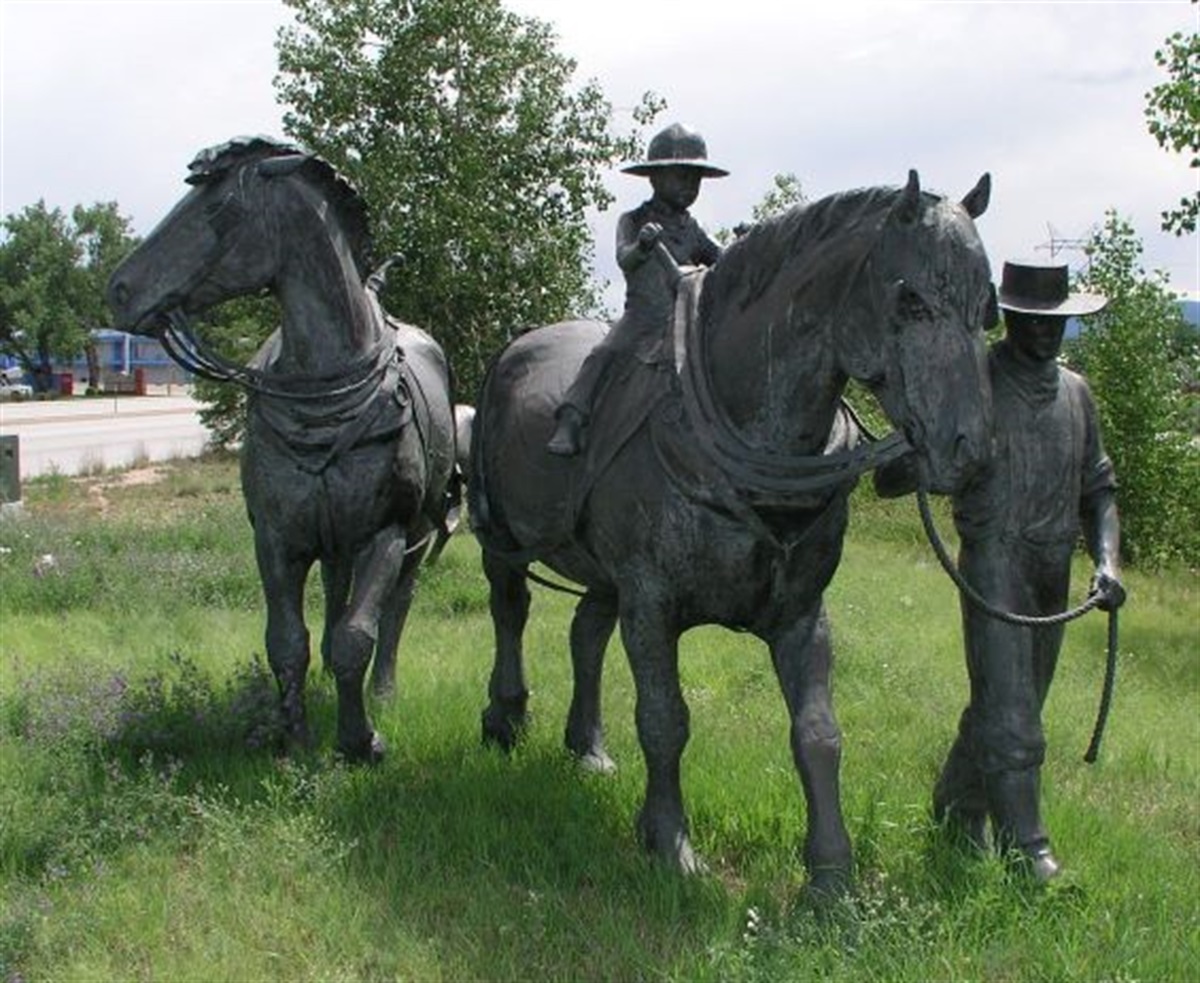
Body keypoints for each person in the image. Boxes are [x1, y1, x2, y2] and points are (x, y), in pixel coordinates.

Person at [875, 258, 1126, 882]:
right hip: (993, 561)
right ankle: (1029, 850)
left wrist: (1107, 561)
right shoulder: (974, 383)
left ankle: (957, 805)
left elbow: (1099, 488)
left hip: (1053, 569)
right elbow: (894, 474)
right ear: (1005, 317)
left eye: (1055, 323)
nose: (1045, 334)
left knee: (1010, 700)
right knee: (1013, 711)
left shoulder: (1076, 393)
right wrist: (917, 459)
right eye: (1030, 321)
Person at [546, 122, 728, 456]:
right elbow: (624, 260)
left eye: (695, 178)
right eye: (680, 176)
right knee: (605, 353)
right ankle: (572, 417)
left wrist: (742, 248)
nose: (689, 185)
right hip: (643, 317)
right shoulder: (633, 220)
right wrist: (642, 247)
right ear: (655, 178)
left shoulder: (693, 228)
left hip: (688, 319)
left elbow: (722, 258)